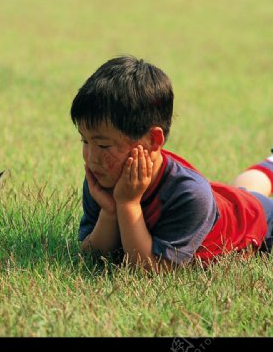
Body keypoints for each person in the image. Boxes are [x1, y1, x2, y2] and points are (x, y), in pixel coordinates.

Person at [70, 55, 273, 272]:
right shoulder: (103, 176)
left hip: (260, 225)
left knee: (252, 202)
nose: (90, 157)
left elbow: (148, 270)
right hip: (231, 202)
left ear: (153, 140)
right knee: (241, 192)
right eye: (84, 140)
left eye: (103, 146)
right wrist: (109, 212)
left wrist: (127, 204)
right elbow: (92, 256)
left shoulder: (190, 194)